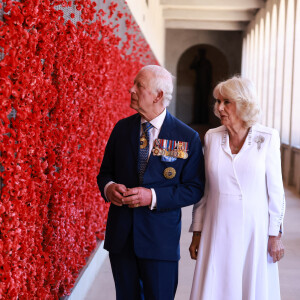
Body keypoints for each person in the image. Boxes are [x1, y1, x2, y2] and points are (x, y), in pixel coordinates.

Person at [97, 65, 205, 300]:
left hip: (159, 242)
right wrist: (109, 188)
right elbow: (104, 174)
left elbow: (194, 188)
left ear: (158, 96)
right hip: (122, 239)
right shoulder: (121, 129)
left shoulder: (187, 137)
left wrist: (152, 197)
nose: (131, 89)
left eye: (139, 86)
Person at [189, 76, 285, 300]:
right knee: (215, 285)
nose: (219, 108)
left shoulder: (267, 137)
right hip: (216, 228)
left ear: (244, 103)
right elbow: (205, 192)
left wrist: (275, 235)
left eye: (226, 102)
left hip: (255, 231)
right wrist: (197, 232)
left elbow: (276, 192)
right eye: (218, 101)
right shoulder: (212, 138)